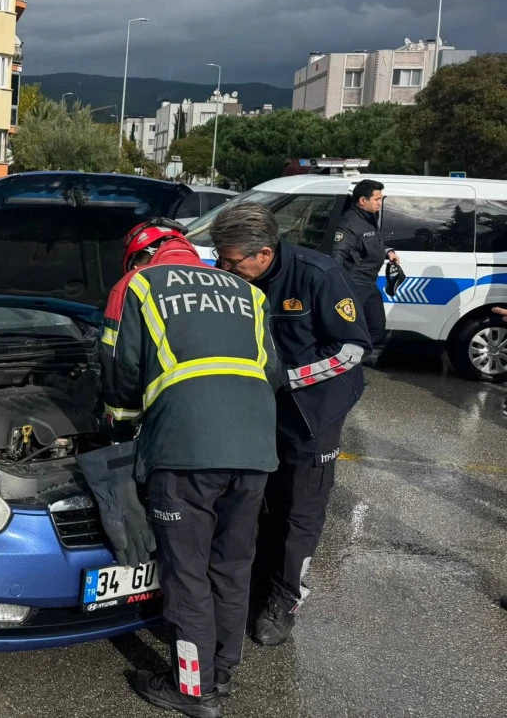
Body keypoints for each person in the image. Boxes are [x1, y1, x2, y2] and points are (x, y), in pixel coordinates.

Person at [100, 220, 280, 718]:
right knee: (232, 564)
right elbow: (274, 375)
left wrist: (120, 427)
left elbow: (119, 369)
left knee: (186, 575)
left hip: (186, 452)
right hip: (254, 451)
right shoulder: (248, 292)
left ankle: (192, 689)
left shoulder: (138, 285)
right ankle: (221, 671)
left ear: (140, 258)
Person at [210, 202, 371, 648]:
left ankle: (285, 600)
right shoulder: (232, 280)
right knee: (254, 502)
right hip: (259, 410)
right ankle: (252, 587)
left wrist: (287, 379)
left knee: (299, 510)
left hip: (314, 412)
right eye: (219, 259)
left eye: (231, 262)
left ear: (264, 253)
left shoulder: (317, 275)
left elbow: (353, 349)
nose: (224, 269)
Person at [331, 179, 400, 366]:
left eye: (381, 199)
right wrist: (337, 286)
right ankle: (344, 371)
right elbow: (338, 253)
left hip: (369, 283)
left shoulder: (369, 218)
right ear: (363, 200)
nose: (380, 202)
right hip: (354, 283)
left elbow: (373, 242)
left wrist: (387, 252)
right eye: (377, 199)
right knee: (352, 330)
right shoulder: (350, 222)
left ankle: (352, 366)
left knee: (376, 329)